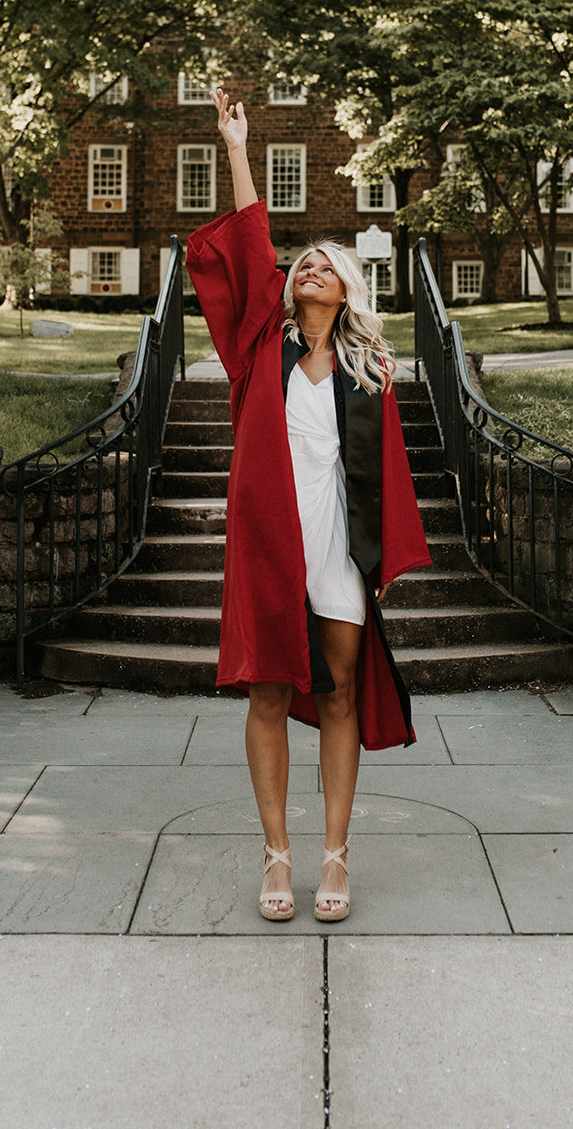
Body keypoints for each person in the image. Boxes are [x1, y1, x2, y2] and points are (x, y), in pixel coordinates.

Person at [186, 87, 430, 923]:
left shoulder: (371, 373)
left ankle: (334, 854)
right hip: (267, 543)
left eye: (324, 264)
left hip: (339, 548)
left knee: (335, 694)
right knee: (263, 692)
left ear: (345, 288)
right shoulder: (261, 345)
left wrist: (386, 559)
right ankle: (276, 855)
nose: (307, 269)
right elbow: (251, 242)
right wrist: (236, 147)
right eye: (301, 266)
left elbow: (389, 472)